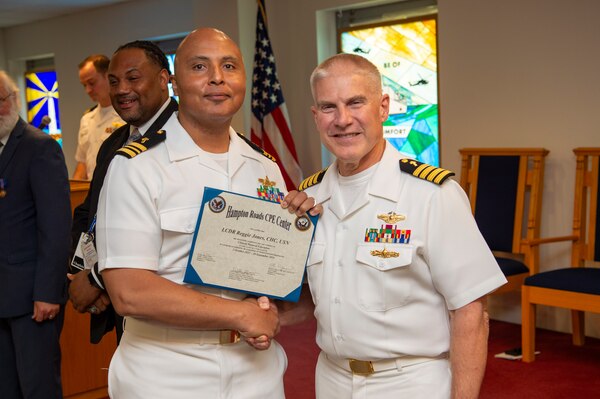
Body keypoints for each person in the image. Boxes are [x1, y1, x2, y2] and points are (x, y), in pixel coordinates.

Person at [96, 28, 314, 398]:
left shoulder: (265, 168)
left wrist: (302, 234)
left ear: (242, 79)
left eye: (229, 66)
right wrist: (238, 315)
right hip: (167, 370)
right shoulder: (137, 167)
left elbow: (273, 277)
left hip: (256, 369)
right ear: (175, 83)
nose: (217, 77)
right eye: (200, 66)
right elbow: (129, 292)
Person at [297, 54, 507, 399]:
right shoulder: (309, 196)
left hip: (409, 382)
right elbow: (315, 298)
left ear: (382, 107)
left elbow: (471, 311)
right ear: (315, 116)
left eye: (355, 103)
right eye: (329, 107)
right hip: (331, 378)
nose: (343, 119)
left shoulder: (432, 194)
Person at [68, 41, 178, 345]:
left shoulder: (187, 135)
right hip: (120, 304)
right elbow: (88, 212)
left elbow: (170, 234)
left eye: (133, 78)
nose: (120, 90)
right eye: (114, 81)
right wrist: (80, 272)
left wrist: (97, 279)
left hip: (170, 309)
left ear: (163, 79)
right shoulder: (115, 142)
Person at [0, 70, 71, 398]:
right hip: (3, 296)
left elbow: (55, 228)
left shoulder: (38, 147)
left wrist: (47, 292)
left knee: (37, 388)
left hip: (32, 298)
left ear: (11, 102)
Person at [73, 54, 124, 180]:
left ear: (108, 76)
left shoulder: (126, 115)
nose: (88, 90)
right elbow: (82, 163)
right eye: (84, 85)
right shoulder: (86, 119)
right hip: (93, 192)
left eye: (91, 83)